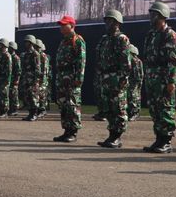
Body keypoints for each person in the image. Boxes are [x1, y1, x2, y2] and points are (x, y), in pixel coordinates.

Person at [142, 2, 176, 154]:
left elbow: (173, 61)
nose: (151, 17)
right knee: (154, 109)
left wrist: (171, 81)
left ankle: (166, 141)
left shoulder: (171, 36)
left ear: (162, 16)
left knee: (165, 109)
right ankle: (159, 139)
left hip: (164, 78)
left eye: (154, 14)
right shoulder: (151, 34)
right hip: (152, 77)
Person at [95, 9, 132, 149]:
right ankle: (111, 134)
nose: (107, 23)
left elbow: (126, 64)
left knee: (118, 108)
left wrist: (122, 80)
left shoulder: (122, 39)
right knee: (108, 108)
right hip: (105, 78)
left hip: (116, 78)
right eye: (106, 20)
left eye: (110, 20)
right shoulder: (104, 39)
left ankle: (117, 136)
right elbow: (99, 58)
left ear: (117, 23)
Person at [53, 15, 86, 143]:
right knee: (63, 105)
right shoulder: (64, 41)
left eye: (64, 24)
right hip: (62, 78)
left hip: (72, 77)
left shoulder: (77, 41)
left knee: (72, 105)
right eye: (60, 25)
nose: (61, 27)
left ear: (71, 26)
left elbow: (81, 61)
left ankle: (73, 131)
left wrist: (78, 79)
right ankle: (66, 130)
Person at [0, 38, 12, 118]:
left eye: (0, 45)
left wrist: (7, 81)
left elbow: (9, 70)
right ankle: (1, 111)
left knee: (4, 96)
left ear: (4, 46)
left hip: (4, 79)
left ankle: (4, 112)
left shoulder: (7, 56)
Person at [127, 45, 143, 121]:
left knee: (134, 96)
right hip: (130, 81)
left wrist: (137, 82)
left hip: (134, 81)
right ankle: (130, 112)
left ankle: (135, 113)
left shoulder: (136, 61)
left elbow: (138, 73)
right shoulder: (130, 60)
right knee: (130, 96)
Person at [8, 41, 21, 117]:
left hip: (14, 79)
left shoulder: (16, 58)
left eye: (10, 47)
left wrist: (17, 80)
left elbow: (18, 71)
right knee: (10, 94)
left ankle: (15, 109)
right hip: (10, 78)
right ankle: (10, 108)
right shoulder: (9, 57)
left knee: (14, 94)